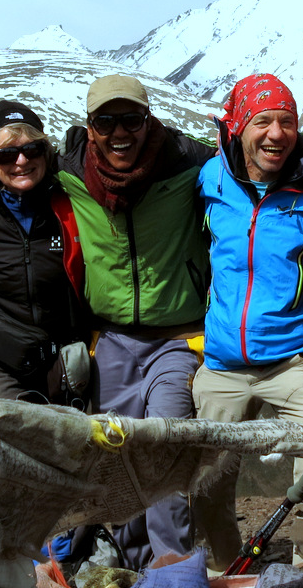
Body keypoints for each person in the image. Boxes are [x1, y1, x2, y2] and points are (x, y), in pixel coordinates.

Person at [55, 73, 214, 570]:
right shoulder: (70, 171)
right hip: (113, 341)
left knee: (164, 449)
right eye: (106, 120)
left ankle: (174, 569)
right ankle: (134, 567)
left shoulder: (189, 162)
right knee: (115, 456)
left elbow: (253, 151)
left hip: (178, 339)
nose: (119, 131)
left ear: (150, 121)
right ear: (90, 126)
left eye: (131, 119)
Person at [190, 73, 303, 571]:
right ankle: (226, 567)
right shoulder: (210, 179)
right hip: (222, 363)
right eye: (263, 121)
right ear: (237, 127)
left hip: (299, 358)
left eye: (287, 121)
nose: (277, 133)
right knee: (205, 482)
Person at [0, 100, 88, 405]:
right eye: (6, 154)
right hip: (4, 363)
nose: (20, 161)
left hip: (71, 359)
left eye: (31, 150)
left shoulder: (72, 205)